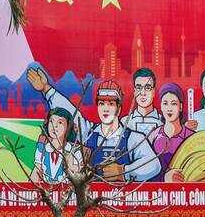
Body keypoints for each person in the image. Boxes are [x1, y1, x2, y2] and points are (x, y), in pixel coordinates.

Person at [25, 65, 161, 183]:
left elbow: (154, 165)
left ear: (119, 108)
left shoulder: (133, 138)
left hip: (122, 205)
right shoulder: (88, 133)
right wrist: (46, 89)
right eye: (101, 103)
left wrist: (123, 171)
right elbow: (72, 113)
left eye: (111, 104)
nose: (105, 108)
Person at [147, 83, 192, 179]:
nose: (169, 108)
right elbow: (145, 173)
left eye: (174, 103)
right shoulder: (153, 137)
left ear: (180, 107)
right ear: (161, 107)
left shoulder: (191, 137)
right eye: (165, 103)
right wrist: (164, 179)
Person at [31, 105, 85, 183]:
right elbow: (36, 171)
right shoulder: (42, 148)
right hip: (46, 192)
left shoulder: (75, 151)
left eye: (60, 122)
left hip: (68, 192)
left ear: (68, 126)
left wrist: (72, 167)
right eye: (51, 121)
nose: (54, 126)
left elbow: (81, 177)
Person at [124, 67, 163, 138]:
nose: (143, 93)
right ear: (134, 91)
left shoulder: (163, 121)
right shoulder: (125, 122)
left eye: (147, 88)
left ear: (154, 91)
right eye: (139, 88)